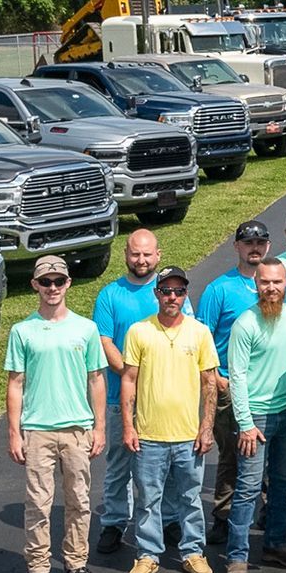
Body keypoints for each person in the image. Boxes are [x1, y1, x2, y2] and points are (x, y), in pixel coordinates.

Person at [4, 255, 106, 573]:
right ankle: (37, 568)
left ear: (68, 284)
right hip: (38, 430)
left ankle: (76, 562)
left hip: (78, 429)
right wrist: (15, 432)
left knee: (79, 501)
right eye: (45, 282)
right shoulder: (22, 331)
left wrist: (100, 427)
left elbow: (96, 380)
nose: (52, 288)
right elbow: (16, 383)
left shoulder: (86, 329)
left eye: (58, 281)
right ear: (35, 285)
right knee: (38, 503)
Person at [196, 220, 286, 539]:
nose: (254, 247)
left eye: (260, 242)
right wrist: (216, 379)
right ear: (237, 247)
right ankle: (224, 516)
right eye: (247, 243)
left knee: (275, 464)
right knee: (233, 457)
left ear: (268, 246)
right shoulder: (219, 289)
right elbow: (204, 339)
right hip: (231, 385)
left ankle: (272, 518)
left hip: (275, 389)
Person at [120, 266, 218, 573]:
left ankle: (192, 552)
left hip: (188, 435)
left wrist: (206, 427)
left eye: (178, 291)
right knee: (149, 498)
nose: (172, 297)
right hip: (149, 435)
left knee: (189, 498)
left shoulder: (199, 332)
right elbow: (129, 380)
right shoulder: (139, 332)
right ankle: (147, 555)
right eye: (166, 291)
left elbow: (209, 384)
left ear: (186, 294)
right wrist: (128, 426)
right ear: (156, 294)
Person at [91, 229, 188, 555]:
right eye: (135, 254)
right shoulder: (110, 295)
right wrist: (131, 373)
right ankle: (115, 522)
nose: (141, 260)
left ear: (158, 255)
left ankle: (171, 518)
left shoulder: (169, 291)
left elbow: (186, 335)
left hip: (164, 399)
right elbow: (105, 342)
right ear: (126, 255)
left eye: (147, 254)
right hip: (122, 399)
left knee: (170, 465)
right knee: (120, 465)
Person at [224, 259, 286, 573]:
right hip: (255, 417)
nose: (271, 288)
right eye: (265, 283)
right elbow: (237, 376)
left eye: (277, 282)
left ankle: (276, 543)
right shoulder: (245, 324)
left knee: (282, 481)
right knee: (248, 487)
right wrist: (245, 423)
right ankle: (237, 556)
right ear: (256, 284)